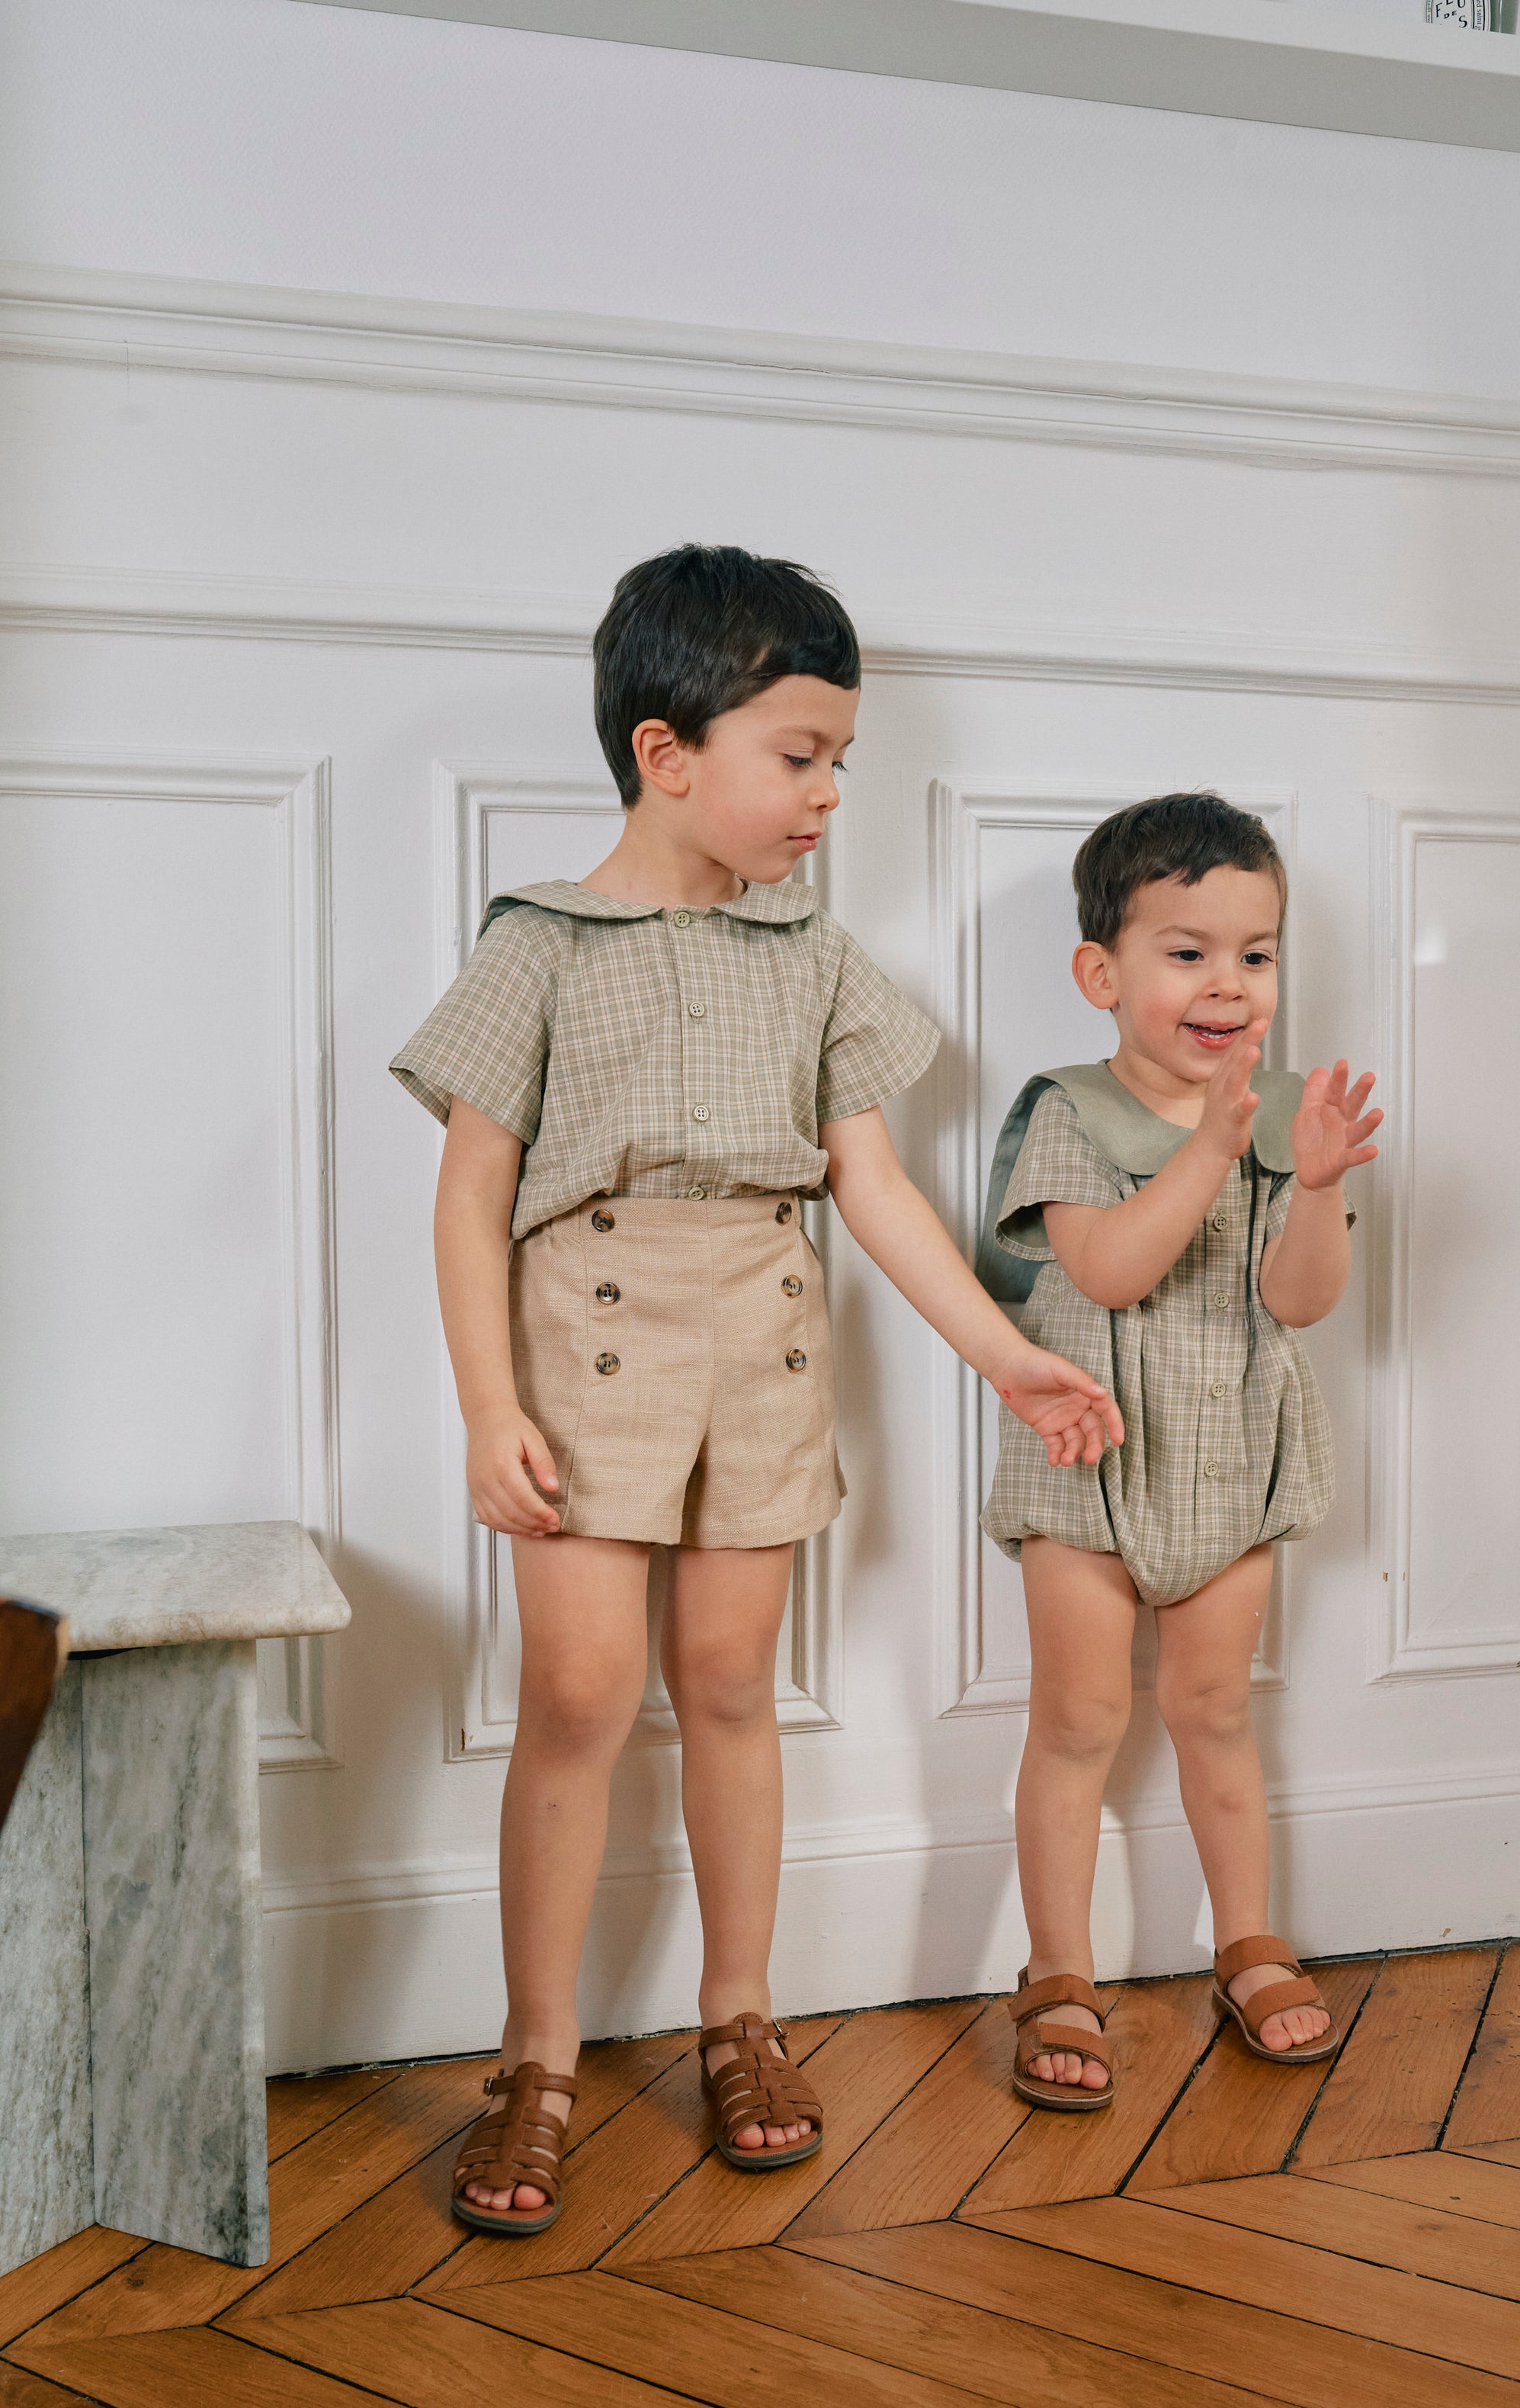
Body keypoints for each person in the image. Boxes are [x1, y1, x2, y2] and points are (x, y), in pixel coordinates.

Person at [391, 544, 1122, 2230]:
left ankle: (739, 2017)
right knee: (580, 1696)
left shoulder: (810, 953)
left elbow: (873, 1187)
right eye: (799, 756)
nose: (827, 795)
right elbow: (467, 1200)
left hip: (763, 1338)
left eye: (839, 760)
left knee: (729, 1684)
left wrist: (1008, 1353)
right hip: (585, 1343)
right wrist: (488, 1405)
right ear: (667, 753)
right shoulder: (539, 946)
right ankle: (536, 2057)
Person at [976, 793, 1381, 2110]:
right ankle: (1058, 1966)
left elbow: (1297, 1302)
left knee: (1214, 1711)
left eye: (1256, 955)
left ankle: (1246, 1939)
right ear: (1103, 973)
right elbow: (1109, 1268)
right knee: (1079, 1719)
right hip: (1089, 1461)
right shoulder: (1069, 1111)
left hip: (1229, 1451)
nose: (1228, 984)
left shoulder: (1279, 1116)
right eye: (1188, 952)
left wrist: (1313, 1184)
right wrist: (1211, 1146)